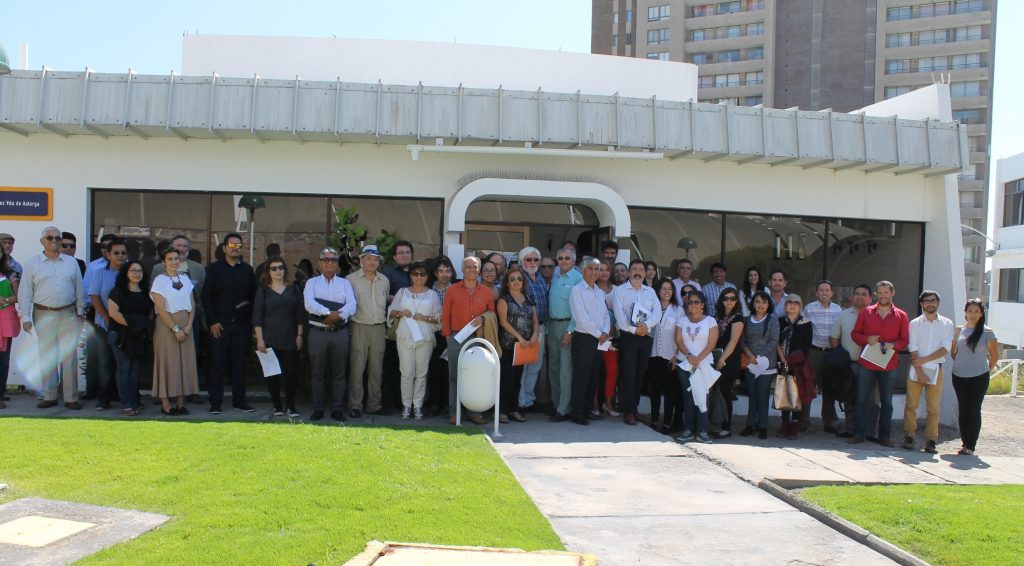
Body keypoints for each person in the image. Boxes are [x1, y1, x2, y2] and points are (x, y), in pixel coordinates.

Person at [17, 226, 85, 409]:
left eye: (57, 238)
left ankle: (71, 398)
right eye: (50, 238)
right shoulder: (32, 264)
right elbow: (25, 292)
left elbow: (79, 288)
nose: (54, 241)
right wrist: (25, 318)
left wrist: (80, 312)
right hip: (43, 313)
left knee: (69, 357)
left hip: (68, 313)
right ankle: (49, 396)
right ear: (42, 241)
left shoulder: (71, 262)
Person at [849, 280, 909, 447]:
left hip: (889, 364)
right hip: (867, 363)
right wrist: (866, 339)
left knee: (887, 402)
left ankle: (884, 436)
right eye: (880, 293)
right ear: (876, 294)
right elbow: (855, 334)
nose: (883, 296)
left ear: (892, 293)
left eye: (886, 292)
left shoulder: (901, 315)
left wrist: (894, 345)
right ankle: (859, 433)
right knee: (861, 399)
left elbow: (905, 340)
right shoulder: (866, 312)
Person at [202, 233, 258, 414]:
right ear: (224, 248)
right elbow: (206, 297)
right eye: (232, 245)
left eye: (239, 245)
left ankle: (239, 401)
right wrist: (212, 321)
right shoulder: (214, 269)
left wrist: (251, 321)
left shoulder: (248, 270)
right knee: (217, 365)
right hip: (219, 325)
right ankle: (215, 402)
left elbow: (255, 297)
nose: (236, 248)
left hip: (241, 325)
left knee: (239, 365)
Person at [441, 256, 494, 425]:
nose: (472, 270)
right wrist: (448, 337)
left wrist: (483, 318)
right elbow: (445, 315)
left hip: (479, 337)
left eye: (475, 267)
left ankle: (475, 412)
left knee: (477, 374)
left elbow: (492, 313)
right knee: (455, 375)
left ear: (479, 270)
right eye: (468, 267)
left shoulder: (486, 291)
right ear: (462, 270)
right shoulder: (452, 290)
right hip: (456, 337)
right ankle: (455, 412)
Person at [304, 247, 356, 421]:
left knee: (339, 373)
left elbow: (352, 305)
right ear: (320, 263)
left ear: (337, 264)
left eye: (333, 260)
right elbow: (309, 304)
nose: (329, 263)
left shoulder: (345, 283)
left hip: (339, 333)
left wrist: (337, 316)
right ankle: (318, 408)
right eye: (325, 260)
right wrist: (328, 313)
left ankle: (336, 408)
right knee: (317, 373)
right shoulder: (312, 283)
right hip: (318, 334)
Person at [903, 290, 954, 454]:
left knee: (933, 407)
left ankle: (931, 440)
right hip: (915, 368)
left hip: (936, 369)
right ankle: (909, 436)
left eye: (933, 300)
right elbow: (912, 346)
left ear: (938, 303)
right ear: (921, 304)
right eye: (927, 301)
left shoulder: (947, 323)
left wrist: (924, 360)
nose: (930, 303)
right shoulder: (915, 323)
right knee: (911, 405)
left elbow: (945, 348)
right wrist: (919, 370)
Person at [388, 261, 441, 420]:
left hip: (425, 337)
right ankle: (406, 405)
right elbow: (391, 312)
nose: (419, 277)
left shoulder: (432, 294)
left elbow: (439, 317)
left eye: (422, 274)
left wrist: (424, 317)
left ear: (427, 276)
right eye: (415, 274)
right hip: (405, 336)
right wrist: (400, 313)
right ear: (410, 275)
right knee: (406, 373)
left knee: (421, 373)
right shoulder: (402, 292)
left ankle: (417, 405)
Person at [253, 256, 304, 418]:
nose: (277, 271)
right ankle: (277, 406)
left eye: (280, 267)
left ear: (285, 270)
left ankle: (291, 406)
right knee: (272, 374)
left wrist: (300, 335)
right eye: (273, 268)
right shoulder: (263, 291)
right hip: (269, 338)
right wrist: (260, 340)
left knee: (291, 373)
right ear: (268, 271)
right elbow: (257, 317)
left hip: (291, 337)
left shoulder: (294, 289)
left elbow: (300, 314)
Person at [612, 259, 662, 426]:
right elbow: (620, 318)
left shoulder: (650, 292)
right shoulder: (620, 291)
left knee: (640, 374)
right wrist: (635, 330)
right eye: (634, 269)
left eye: (641, 269)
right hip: (629, 337)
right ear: (629, 272)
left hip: (645, 337)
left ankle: (635, 409)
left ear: (645, 273)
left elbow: (657, 313)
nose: (638, 272)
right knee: (629, 374)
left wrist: (646, 326)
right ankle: (628, 411)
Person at [150, 248, 199, 416]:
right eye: (170, 259)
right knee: (167, 363)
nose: (174, 262)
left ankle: (180, 404)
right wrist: (175, 328)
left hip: (186, 325)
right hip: (167, 326)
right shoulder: (159, 280)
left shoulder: (185, 278)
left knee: (184, 363)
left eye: (176, 258)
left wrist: (189, 325)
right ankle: (165, 404)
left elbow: (192, 304)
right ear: (163, 262)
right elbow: (160, 308)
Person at [345, 244, 390, 418]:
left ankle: (374, 405)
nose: (372, 262)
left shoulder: (384, 280)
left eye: (375, 259)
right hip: (359, 326)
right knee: (357, 368)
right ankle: (355, 405)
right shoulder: (350, 280)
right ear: (361, 260)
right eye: (368, 259)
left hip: (379, 328)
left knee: (376, 369)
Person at [828, 284, 879, 438]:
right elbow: (834, 338)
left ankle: (870, 431)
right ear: (852, 296)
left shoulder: (877, 315)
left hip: (871, 364)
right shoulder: (843, 315)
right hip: (850, 363)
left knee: (872, 400)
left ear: (870, 298)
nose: (860, 296)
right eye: (857, 293)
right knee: (850, 397)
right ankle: (850, 428)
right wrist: (841, 355)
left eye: (864, 294)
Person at [951, 298, 998, 456]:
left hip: (979, 377)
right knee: (963, 409)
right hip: (959, 376)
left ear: (982, 313)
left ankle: (971, 445)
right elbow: (953, 352)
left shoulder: (987, 332)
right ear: (965, 312)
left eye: (976, 311)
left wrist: (985, 370)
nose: (972, 314)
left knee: (974, 409)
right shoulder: (959, 330)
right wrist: (961, 364)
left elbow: (994, 355)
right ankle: (965, 443)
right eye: (970, 310)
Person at [106, 260, 153, 416]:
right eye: (133, 270)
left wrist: (140, 327)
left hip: (137, 336)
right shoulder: (117, 291)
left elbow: (150, 314)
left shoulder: (146, 293)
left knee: (135, 370)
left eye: (139, 271)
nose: (136, 273)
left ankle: (134, 402)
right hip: (120, 335)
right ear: (125, 273)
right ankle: (126, 404)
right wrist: (135, 325)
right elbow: (114, 313)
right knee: (124, 369)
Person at [567, 258, 610, 426]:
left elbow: (606, 315)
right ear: (583, 270)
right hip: (584, 338)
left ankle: (587, 410)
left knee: (593, 376)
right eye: (590, 268)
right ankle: (577, 413)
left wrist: (605, 331)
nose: (594, 272)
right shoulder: (577, 290)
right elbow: (580, 317)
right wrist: (599, 334)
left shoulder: (599, 292)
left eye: (597, 269)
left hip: (599, 339)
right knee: (581, 377)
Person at [88, 237, 129, 410]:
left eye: (123, 253)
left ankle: (125, 397)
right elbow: (94, 297)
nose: (120, 256)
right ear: (108, 255)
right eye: (116, 253)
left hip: (126, 327)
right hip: (104, 326)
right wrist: (106, 317)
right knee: (105, 364)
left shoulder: (131, 272)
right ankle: (103, 398)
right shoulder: (99, 273)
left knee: (124, 364)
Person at [675, 290, 719, 444]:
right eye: (690, 302)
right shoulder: (681, 321)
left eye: (696, 302)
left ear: (702, 305)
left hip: (704, 364)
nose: (693, 305)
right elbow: (679, 341)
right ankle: (688, 429)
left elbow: (712, 343)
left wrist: (698, 359)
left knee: (703, 397)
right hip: (685, 364)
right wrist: (689, 356)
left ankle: (703, 431)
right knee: (688, 397)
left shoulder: (710, 321)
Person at [496, 265, 538, 424]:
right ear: (507, 283)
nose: (516, 282)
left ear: (523, 282)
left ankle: (513, 409)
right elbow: (503, 322)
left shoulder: (529, 299)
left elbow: (535, 319)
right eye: (512, 279)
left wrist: (535, 334)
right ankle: (502, 411)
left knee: (518, 379)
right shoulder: (504, 300)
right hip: (508, 345)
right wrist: (519, 337)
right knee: (507, 378)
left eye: (519, 279)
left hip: (524, 346)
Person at [546, 247, 582, 422]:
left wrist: (570, 330)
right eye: (560, 258)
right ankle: (556, 404)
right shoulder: (555, 277)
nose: (563, 261)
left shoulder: (578, 279)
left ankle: (564, 408)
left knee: (565, 370)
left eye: (567, 258)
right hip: (552, 325)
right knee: (553, 367)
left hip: (567, 327)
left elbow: (579, 309)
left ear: (574, 261)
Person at [802, 280, 842, 432]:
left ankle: (829, 422)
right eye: (821, 290)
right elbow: (803, 328)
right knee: (808, 386)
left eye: (827, 290)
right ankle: (803, 421)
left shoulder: (838, 310)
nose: (824, 293)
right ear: (816, 293)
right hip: (814, 352)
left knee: (829, 387)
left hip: (831, 353)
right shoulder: (809, 308)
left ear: (832, 293)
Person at [740, 291, 779, 440]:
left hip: (766, 363)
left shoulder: (772, 319)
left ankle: (763, 427)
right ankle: (749, 425)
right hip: (750, 363)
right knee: (752, 395)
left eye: (764, 302)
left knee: (762, 395)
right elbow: (742, 340)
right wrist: (750, 355)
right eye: (757, 302)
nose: (761, 305)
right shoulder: (747, 319)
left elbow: (774, 341)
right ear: (753, 304)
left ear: (768, 304)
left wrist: (759, 356)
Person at [382, 240, 414, 412]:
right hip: (395, 325)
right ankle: (389, 403)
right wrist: (400, 301)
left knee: (410, 367)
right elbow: (383, 295)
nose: (404, 255)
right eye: (400, 253)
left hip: (415, 326)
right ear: (394, 257)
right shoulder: (387, 273)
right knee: (392, 365)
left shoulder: (417, 271)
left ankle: (408, 402)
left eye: (407, 252)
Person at [647, 278, 682, 433]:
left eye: (670, 289)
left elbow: (681, 336)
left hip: (670, 356)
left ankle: (667, 422)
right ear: (658, 291)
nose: (667, 291)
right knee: (654, 390)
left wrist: (677, 356)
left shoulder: (678, 310)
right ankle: (654, 420)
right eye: (664, 288)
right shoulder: (652, 307)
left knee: (669, 391)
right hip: (654, 355)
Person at [777, 294, 814, 440]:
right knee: (784, 393)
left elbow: (805, 347)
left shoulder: (806, 323)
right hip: (781, 363)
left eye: (796, 303)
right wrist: (783, 360)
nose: (792, 305)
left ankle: (794, 424)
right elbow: (776, 342)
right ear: (785, 305)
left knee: (796, 394)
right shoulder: (780, 322)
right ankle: (784, 423)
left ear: (801, 306)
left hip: (798, 364)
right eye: (789, 302)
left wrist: (790, 360)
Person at [517, 247, 549, 413]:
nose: (532, 263)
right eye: (528, 259)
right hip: (524, 328)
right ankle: (520, 401)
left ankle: (528, 400)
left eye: (536, 260)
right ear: (522, 261)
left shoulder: (541, 278)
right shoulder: (519, 278)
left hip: (541, 327)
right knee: (523, 367)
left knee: (535, 366)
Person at [712, 288, 744, 438]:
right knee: (716, 392)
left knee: (725, 392)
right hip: (716, 356)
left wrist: (722, 359)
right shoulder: (717, 316)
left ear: (736, 301)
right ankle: (717, 424)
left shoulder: (738, 318)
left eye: (732, 298)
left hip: (729, 360)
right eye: (726, 298)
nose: (729, 301)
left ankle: (726, 427)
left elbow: (733, 341)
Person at [426, 255, 456, 416]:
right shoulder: (428, 290)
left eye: (448, 271)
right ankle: (434, 403)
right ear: (435, 273)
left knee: (448, 370)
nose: (445, 274)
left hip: (451, 335)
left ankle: (446, 403)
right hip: (432, 333)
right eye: (441, 271)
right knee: (433, 369)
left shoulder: (456, 289)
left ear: (452, 273)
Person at [595, 261, 619, 417]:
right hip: (594, 336)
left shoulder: (617, 290)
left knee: (612, 370)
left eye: (606, 270)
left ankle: (608, 403)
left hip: (611, 337)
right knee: (595, 370)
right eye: (600, 270)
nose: (604, 272)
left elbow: (621, 312)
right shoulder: (591, 289)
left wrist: (612, 331)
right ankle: (594, 404)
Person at [0, 243, 21, 409]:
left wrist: (5, 300)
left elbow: (18, 296)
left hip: (4, 321)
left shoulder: (11, 273)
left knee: (3, 360)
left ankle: (0, 394)